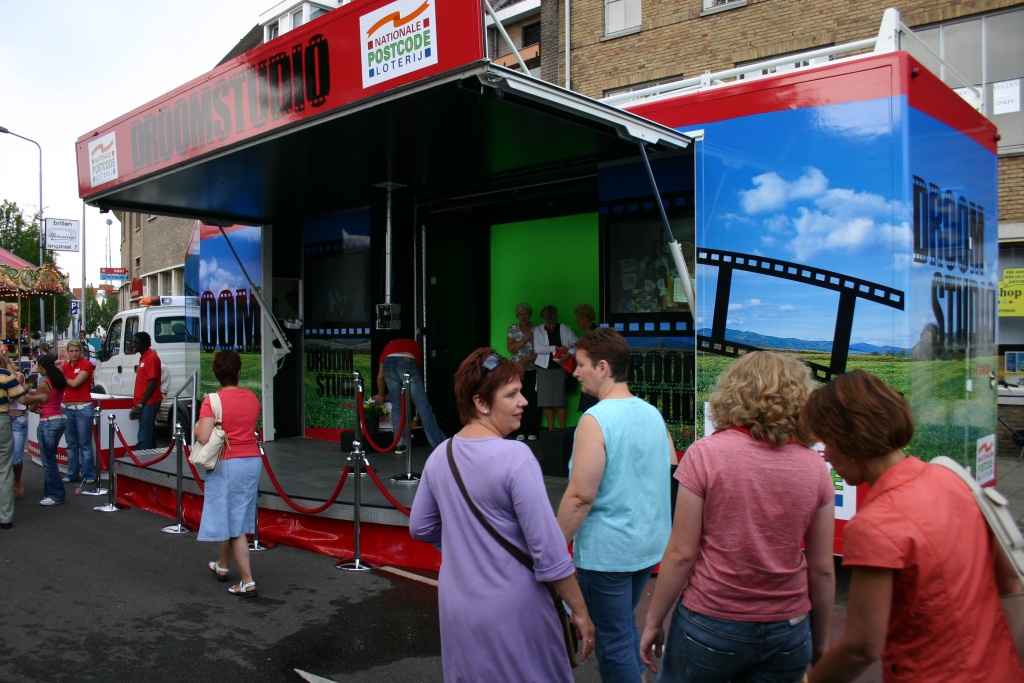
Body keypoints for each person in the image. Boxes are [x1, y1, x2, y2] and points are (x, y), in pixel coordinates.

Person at [803, 370, 1024, 683]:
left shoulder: (874, 525)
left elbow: (861, 647)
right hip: (995, 666)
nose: (825, 454)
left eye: (827, 441)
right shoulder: (949, 477)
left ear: (849, 440)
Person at [639, 351, 835, 682]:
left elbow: (682, 553)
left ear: (734, 393)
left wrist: (654, 620)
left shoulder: (706, 454)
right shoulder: (814, 466)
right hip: (788, 626)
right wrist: (820, 642)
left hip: (712, 618)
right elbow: (823, 569)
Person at [409, 348, 595, 681]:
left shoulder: (441, 455)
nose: (524, 401)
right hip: (515, 607)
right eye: (511, 395)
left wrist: (466, 550)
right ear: (481, 403)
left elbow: (420, 527)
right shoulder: (516, 457)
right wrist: (580, 610)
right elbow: (548, 551)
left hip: (458, 605)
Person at [556, 327, 672, 682]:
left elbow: (580, 496)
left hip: (607, 553)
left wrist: (552, 546)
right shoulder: (652, 413)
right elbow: (671, 472)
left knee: (613, 639)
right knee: (622, 626)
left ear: (603, 367)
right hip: (647, 546)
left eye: (581, 364)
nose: (576, 372)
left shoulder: (595, 420)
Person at [195, 350, 263, 598]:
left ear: (216, 374)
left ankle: (247, 582)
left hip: (227, 464)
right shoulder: (252, 397)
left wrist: (196, 428)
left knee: (234, 525)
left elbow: (203, 436)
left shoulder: (212, 400)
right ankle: (223, 565)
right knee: (235, 515)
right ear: (239, 372)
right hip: (252, 461)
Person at [372, 338, 445, 454]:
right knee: (422, 405)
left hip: (388, 363)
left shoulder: (387, 349)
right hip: (407, 360)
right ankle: (438, 443)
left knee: (396, 405)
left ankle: (400, 444)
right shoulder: (414, 346)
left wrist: (381, 395)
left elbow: (380, 376)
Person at [31, 355, 68, 507]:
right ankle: (51, 492)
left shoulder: (44, 384)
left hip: (47, 422)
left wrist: (35, 408)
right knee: (50, 458)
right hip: (60, 419)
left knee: (48, 460)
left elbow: (32, 406)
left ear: (41, 367)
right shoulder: (59, 381)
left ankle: (55, 494)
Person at [533, 305, 577, 430]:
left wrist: (568, 354)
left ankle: (562, 430)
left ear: (556, 319)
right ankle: (550, 430)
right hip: (543, 368)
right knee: (546, 401)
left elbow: (578, 344)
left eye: (553, 323)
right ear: (543, 321)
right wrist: (555, 348)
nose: (551, 326)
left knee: (560, 401)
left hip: (560, 369)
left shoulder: (565, 329)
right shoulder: (538, 330)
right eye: (548, 323)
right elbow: (538, 349)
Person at [0, 355, 32, 527]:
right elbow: (22, 399)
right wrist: (39, 398)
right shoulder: (6, 376)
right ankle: (5, 517)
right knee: (4, 470)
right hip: (3, 420)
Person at [61, 340, 96, 485]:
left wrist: (61, 377)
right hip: (67, 407)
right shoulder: (64, 366)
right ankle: (72, 473)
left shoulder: (86, 364)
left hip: (83, 408)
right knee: (71, 444)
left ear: (81, 351)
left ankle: (89, 474)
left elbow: (75, 383)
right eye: (71, 351)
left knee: (84, 444)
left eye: (76, 351)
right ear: (67, 352)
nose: (74, 354)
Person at [506, 302, 540, 441]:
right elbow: (511, 348)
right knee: (517, 400)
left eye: (525, 313)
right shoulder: (513, 328)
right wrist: (525, 338)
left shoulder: (537, 329)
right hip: (516, 371)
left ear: (530, 314)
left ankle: (532, 431)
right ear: (517, 315)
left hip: (533, 369)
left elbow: (541, 350)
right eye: (520, 314)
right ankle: (520, 430)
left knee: (532, 400)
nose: (523, 316)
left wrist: (528, 359)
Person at [128, 332, 162, 450]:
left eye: (136, 342)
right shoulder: (144, 357)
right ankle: (152, 458)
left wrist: (140, 405)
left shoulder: (151, 357)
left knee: (144, 437)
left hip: (149, 402)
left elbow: (152, 383)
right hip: (144, 402)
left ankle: (140, 460)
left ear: (144, 344)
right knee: (149, 435)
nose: (133, 345)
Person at [573, 303, 599, 413]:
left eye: (578, 318)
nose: (577, 321)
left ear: (585, 318)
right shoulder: (587, 332)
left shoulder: (596, 333)